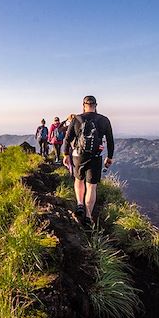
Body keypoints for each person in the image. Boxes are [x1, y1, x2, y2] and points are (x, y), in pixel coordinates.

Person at [62, 96, 114, 226]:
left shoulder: (77, 119)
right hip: (95, 156)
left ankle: (80, 204)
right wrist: (110, 157)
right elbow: (110, 141)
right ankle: (89, 215)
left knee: (79, 180)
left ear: (83, 105)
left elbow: (67, 139)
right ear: (96, 105)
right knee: (91, 186)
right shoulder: (104, 120)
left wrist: (65, 154)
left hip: (78, 155)